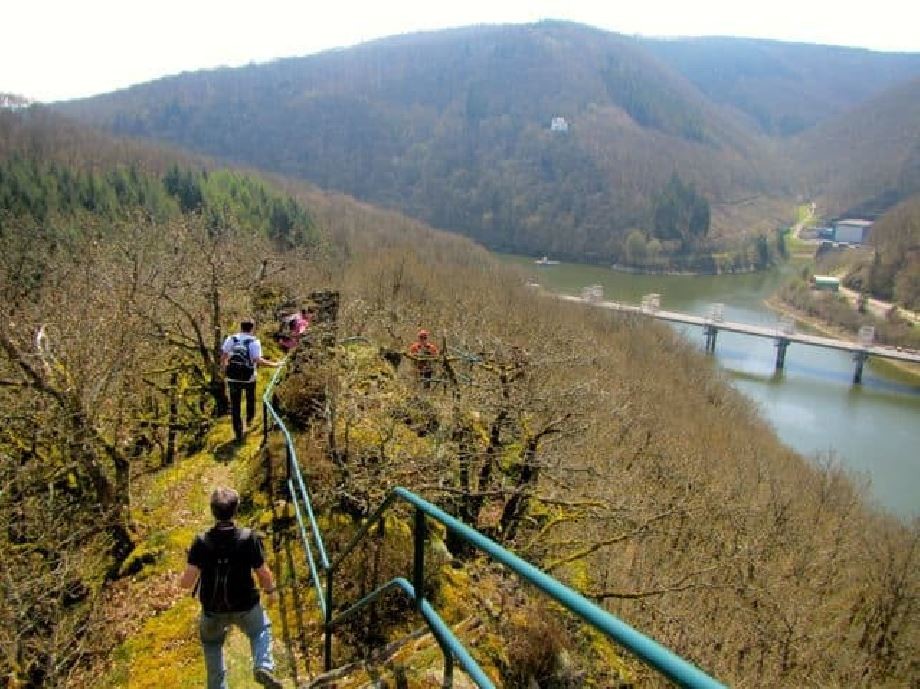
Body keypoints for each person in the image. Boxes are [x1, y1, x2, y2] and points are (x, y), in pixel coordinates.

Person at [179, 487, 282, 689]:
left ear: (212, 510)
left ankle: (218, 686)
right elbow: (262, 573)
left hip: (213, 608)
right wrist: (270, 591)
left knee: (212, 644)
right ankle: (263, 666)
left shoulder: (201, 541)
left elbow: (186, 583)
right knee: (260, 629)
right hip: (245, 604)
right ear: (236, 510)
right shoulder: (248, 538)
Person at [221, 319, 281, 443]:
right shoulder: (254, 341)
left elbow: (224, 356)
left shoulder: (231, 339)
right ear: (252, 328)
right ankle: (249, 420)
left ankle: (238, 432)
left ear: (241, 327)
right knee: (250, 399)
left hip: (232, 378)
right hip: (249, 377)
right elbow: (257, 360)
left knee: (235, 405)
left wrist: (227, 369)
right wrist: (274, 364)